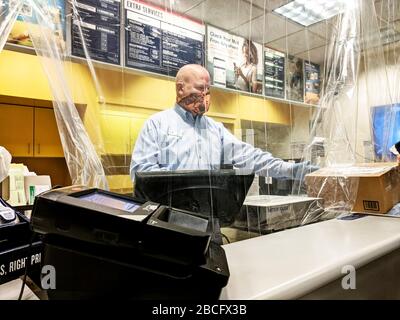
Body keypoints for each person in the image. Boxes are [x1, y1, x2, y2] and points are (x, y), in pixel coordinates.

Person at [130, 64, 318, 182]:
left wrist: (292, 170)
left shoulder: (215, 130)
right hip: (170, 225)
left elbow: (250, 157)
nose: (205, 95)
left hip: (211, 221)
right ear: (180, 89)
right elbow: (141, 173)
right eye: (200, 88)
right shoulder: (157, 125)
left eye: (208, 89)